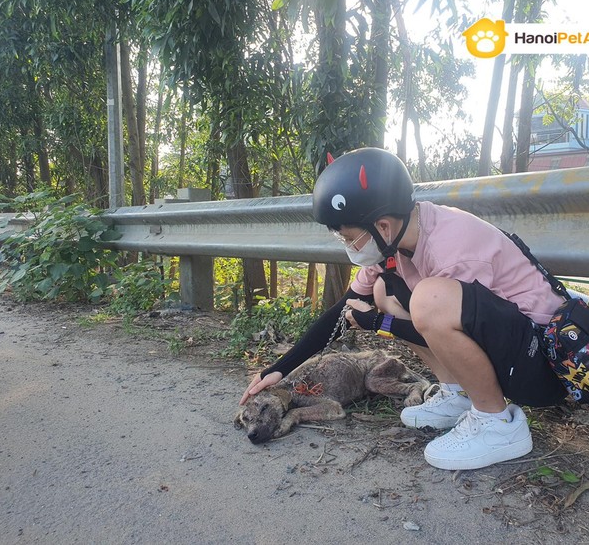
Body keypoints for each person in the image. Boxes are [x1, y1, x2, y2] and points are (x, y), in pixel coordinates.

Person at [239, 147, 567, 471]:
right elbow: (340, 313)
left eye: (349, 238)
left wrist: (378, 323)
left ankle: (497, 423)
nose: (349, 246)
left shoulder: (449, 249)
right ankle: (458, 394)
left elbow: (469, 332)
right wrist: (277, 370)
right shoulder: (396, 244)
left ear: (382, 227)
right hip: (509, 345)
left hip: (542, 363)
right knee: (384, 291)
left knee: (427, 299)